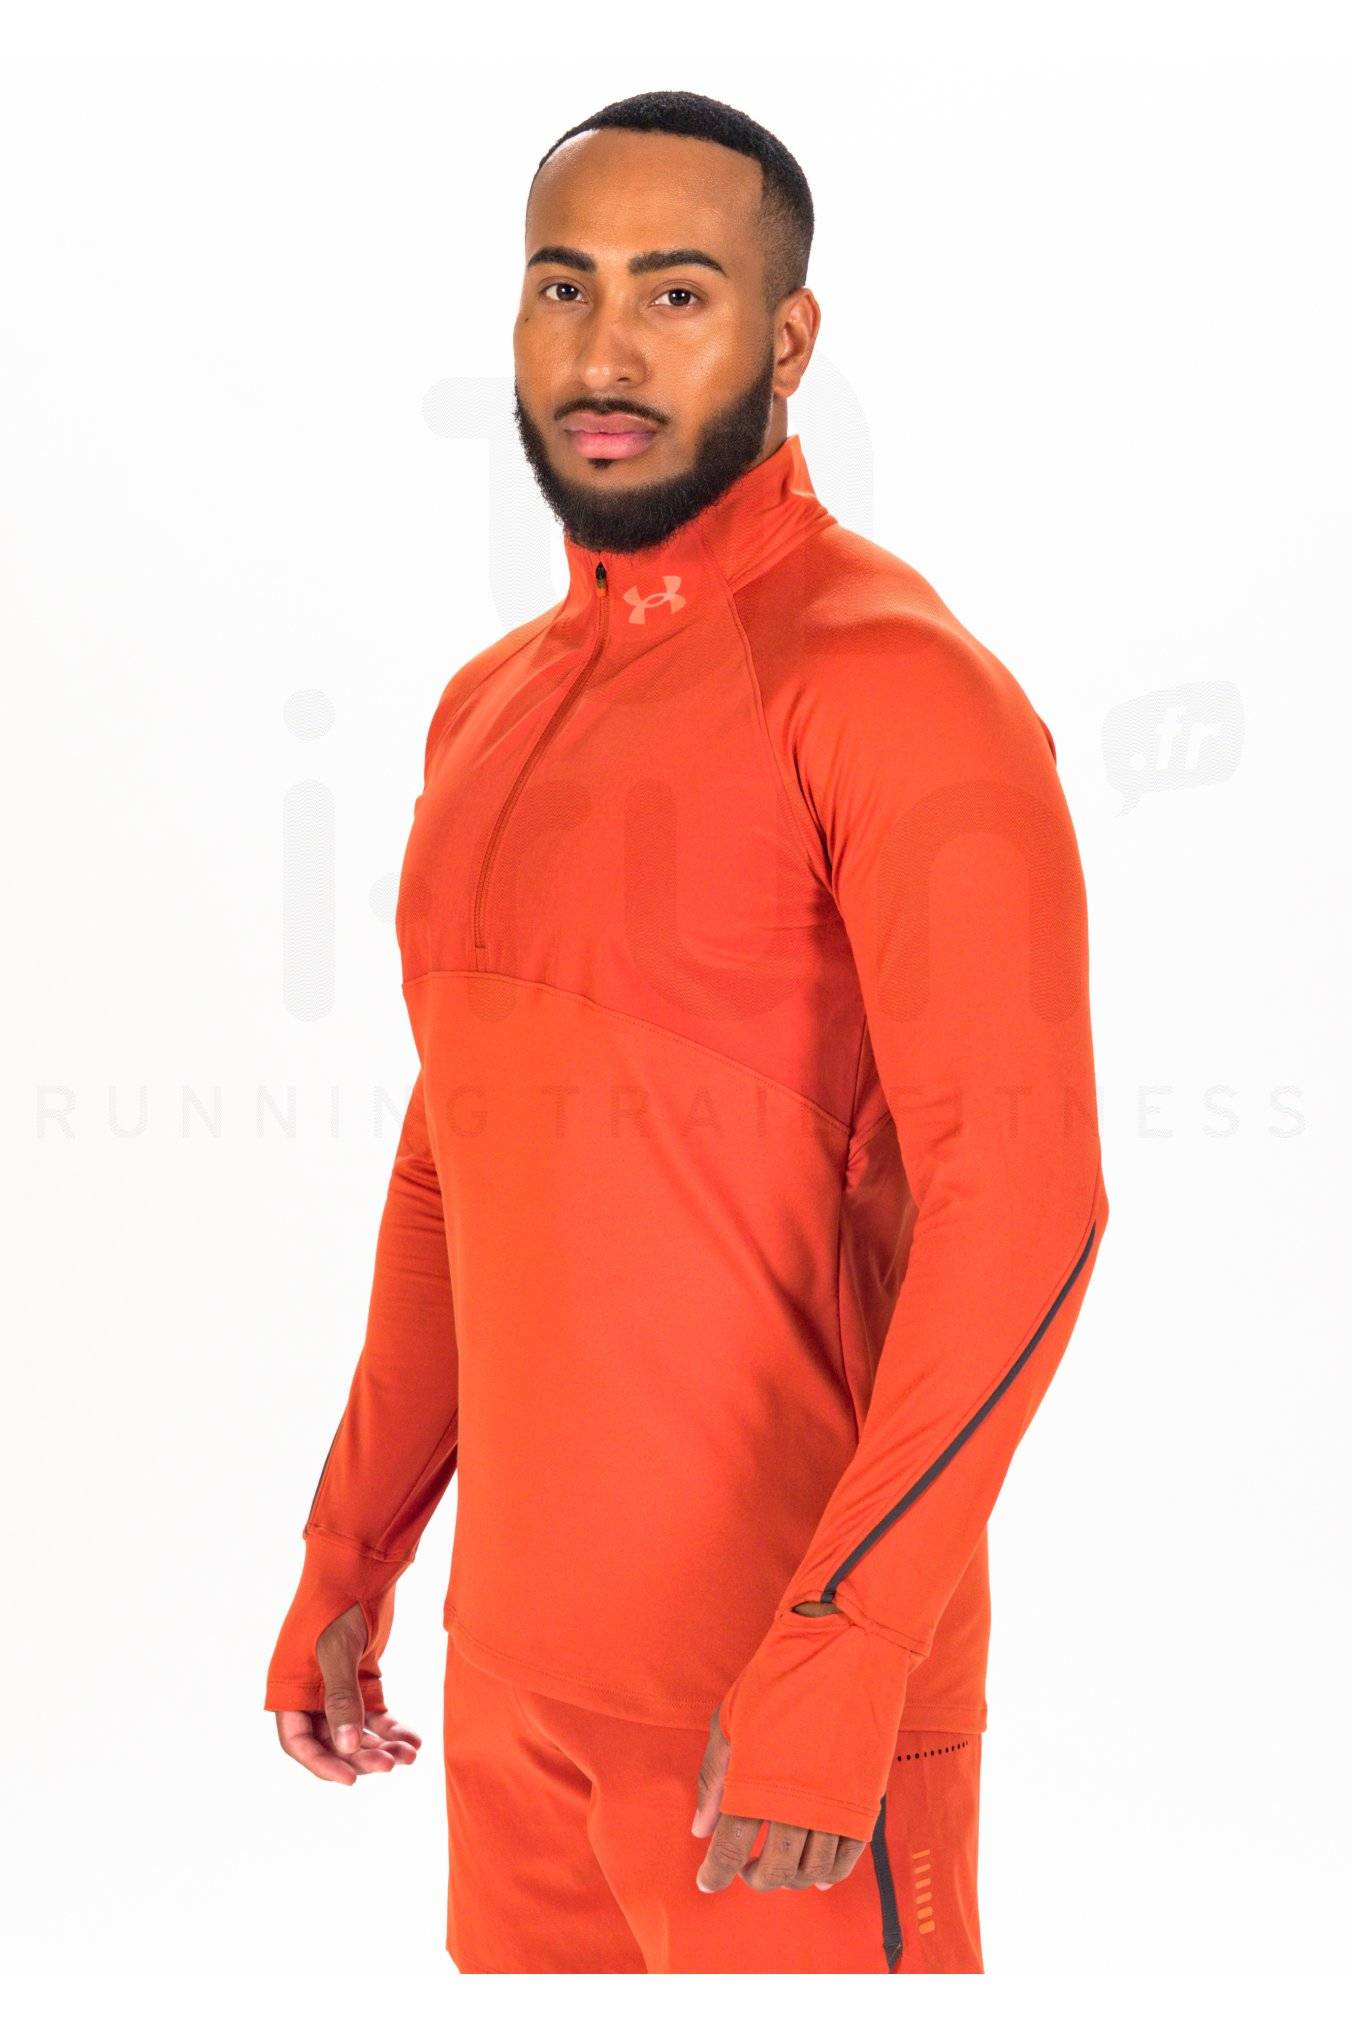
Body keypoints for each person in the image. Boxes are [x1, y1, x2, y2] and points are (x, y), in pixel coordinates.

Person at [263, 88, 1110, 1975]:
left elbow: (1026, 1205)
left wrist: (846, 1649)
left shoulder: (893, 686)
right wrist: (354, 1550)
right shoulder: (486, 706)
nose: (606, 350)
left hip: (774, 1711)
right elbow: (454, 1158)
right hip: (516, 1698)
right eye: (564, 286)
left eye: (676, 292)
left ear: (787, 339)